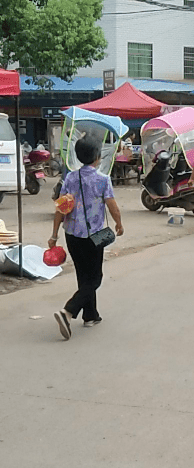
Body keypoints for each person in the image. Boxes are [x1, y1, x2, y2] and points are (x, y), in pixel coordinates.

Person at [49, 137, 124, 339]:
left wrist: (54, 234)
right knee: (95, 277)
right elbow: (112, 206)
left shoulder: (70, 179)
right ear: (97, 157)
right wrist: (119, 223)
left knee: (84, 275)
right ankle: (68, 311)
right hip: (93, 236)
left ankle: (90, 316)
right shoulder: (102, 179)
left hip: (72, 234)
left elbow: (60, 208)